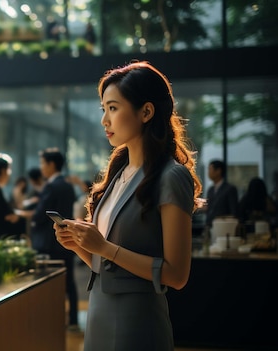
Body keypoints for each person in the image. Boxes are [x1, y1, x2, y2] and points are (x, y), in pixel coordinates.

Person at [53, 61, 202, 350]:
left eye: (113, 108)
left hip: (136, 324)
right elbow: (109, 267)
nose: (104, 120)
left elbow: (176, 275)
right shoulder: (117, 175)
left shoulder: (171, 176)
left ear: (146, 112)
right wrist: (80, 245)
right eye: (103, 109)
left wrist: (104, 247)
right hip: (99, 313)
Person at [29, 147, 79, 331]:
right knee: (69, 282)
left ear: (51, 164)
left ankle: (51, 321)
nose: (41, 167)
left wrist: (33, 217)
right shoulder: (67, 185)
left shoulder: (51, 186)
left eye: (43, 163)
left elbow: (40, 214)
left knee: (50, 284)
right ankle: (72, 320)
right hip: (67, 240)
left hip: (50, 242)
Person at [205, 159, 238, 227]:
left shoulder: (230, 189)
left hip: (224, 227)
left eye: (210, 169)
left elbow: (234, 212)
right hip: (210, 226)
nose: (208, 172)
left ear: (218, 171)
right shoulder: (210, 190)